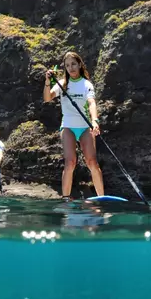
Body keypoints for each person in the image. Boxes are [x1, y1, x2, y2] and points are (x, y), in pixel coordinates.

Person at [43, 51, 105, 199]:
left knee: (92, 162)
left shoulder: (86, 84)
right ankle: (66, 199)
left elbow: (91, 103)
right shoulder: (62, 84)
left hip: (85, 127)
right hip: (68, 127)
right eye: (68, 65)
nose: (71, 68)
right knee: (70, 162)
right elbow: (47, 98)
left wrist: (95, 120)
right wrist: (47, 81)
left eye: (74, 64)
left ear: (79, 65)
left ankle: (101, 198)